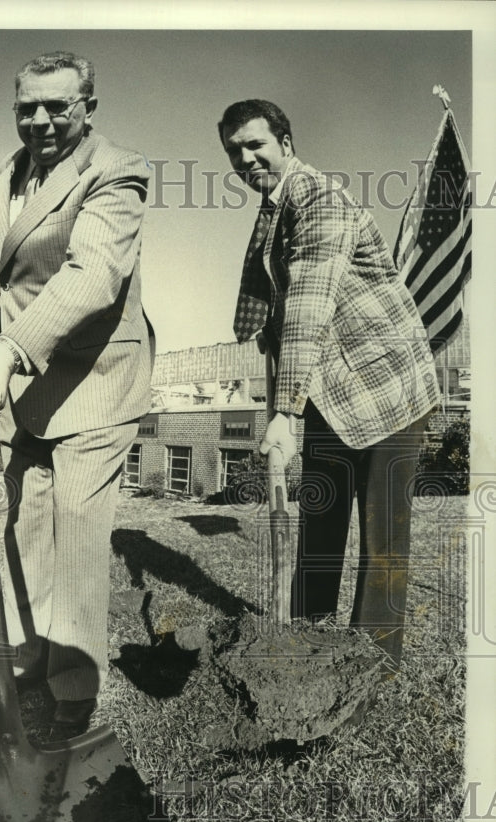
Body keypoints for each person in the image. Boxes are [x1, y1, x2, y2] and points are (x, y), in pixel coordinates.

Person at [0, 51, 154, 734]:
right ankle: (31, 656)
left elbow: (92, 276)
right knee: (24, 524)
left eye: (56, 106)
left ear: (87, 107)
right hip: (24, 384)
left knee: (75, 531)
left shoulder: (118, 171)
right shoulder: (8, 170)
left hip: (94, 376)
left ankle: (74, 695)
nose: (39, 120)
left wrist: (8, 351)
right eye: (26, 107)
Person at [219, 99, 440, 677]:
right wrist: (285, 406)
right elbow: (273, 321)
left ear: (286, 144)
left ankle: (370, 670)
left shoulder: (320, 199)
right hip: (333, 391)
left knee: (383, 539)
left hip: (388, 387)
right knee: (321, 524)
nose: (246, 159)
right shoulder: (274, 214)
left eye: (255, 145)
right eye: (235, 152)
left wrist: (286, 415)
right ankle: (308, 648)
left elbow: (309, 306)